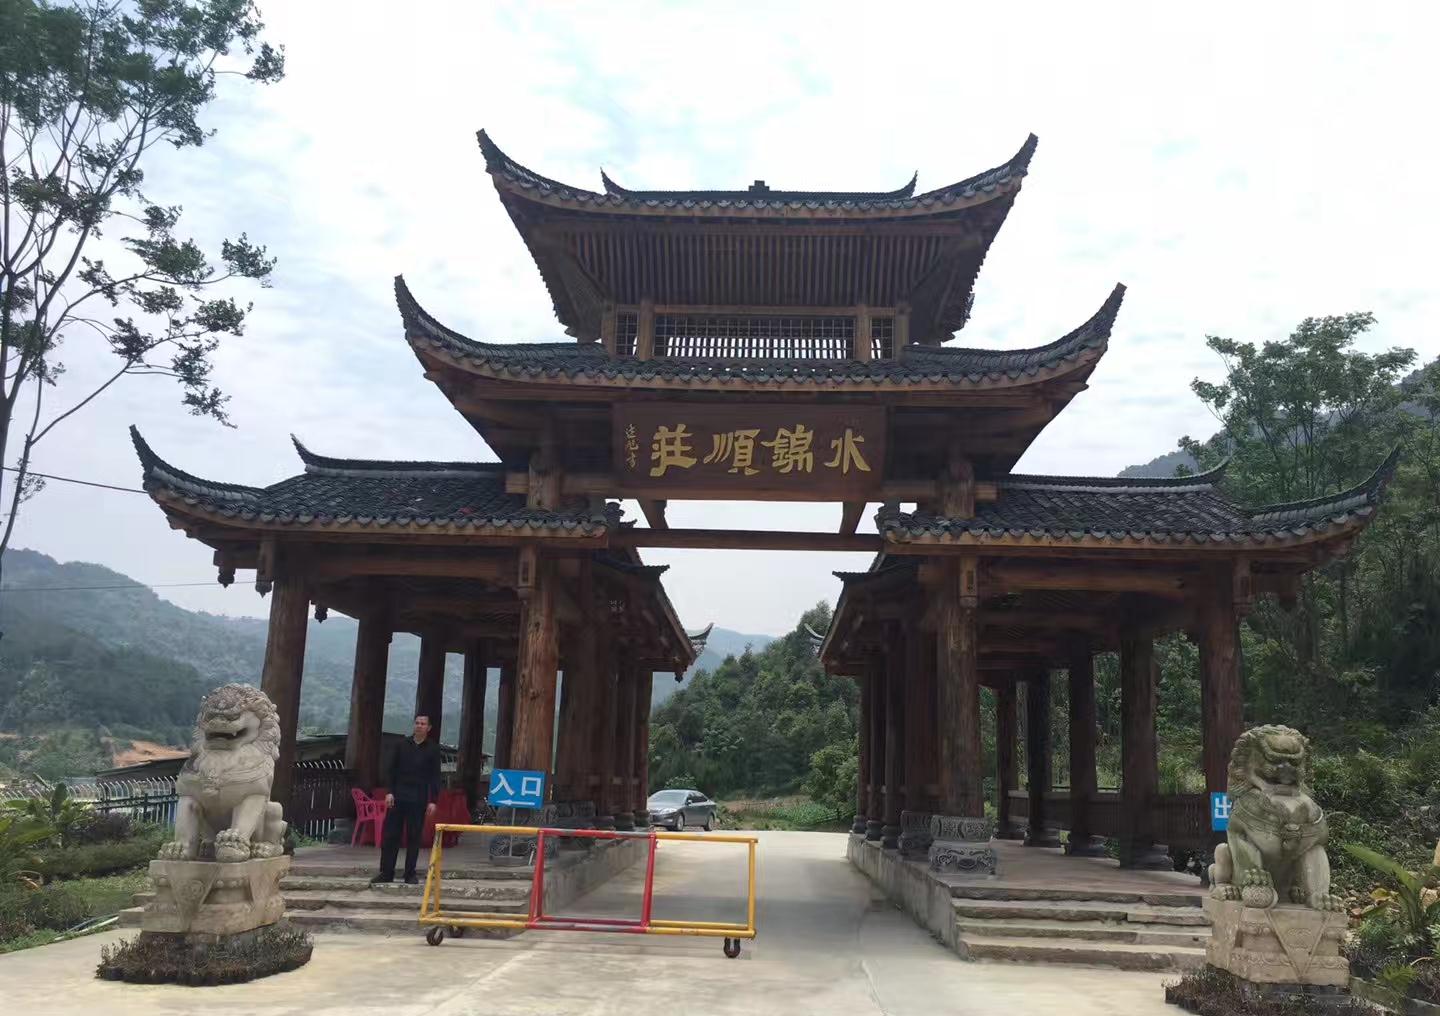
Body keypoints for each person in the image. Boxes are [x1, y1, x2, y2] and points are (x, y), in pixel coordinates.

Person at [371, 714, 442, 885]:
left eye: (423, 723)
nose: (419, 726)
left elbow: (435, 777)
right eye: (417, 723)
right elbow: (391, 770)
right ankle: (386, 872)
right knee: (390, 835)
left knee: (414, 837)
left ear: (428, 728)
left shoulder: (433, 749)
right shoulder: (401, 745)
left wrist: (433, 800)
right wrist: (389, 792)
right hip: (397, 797)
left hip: (418, 798)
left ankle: (410, 873)